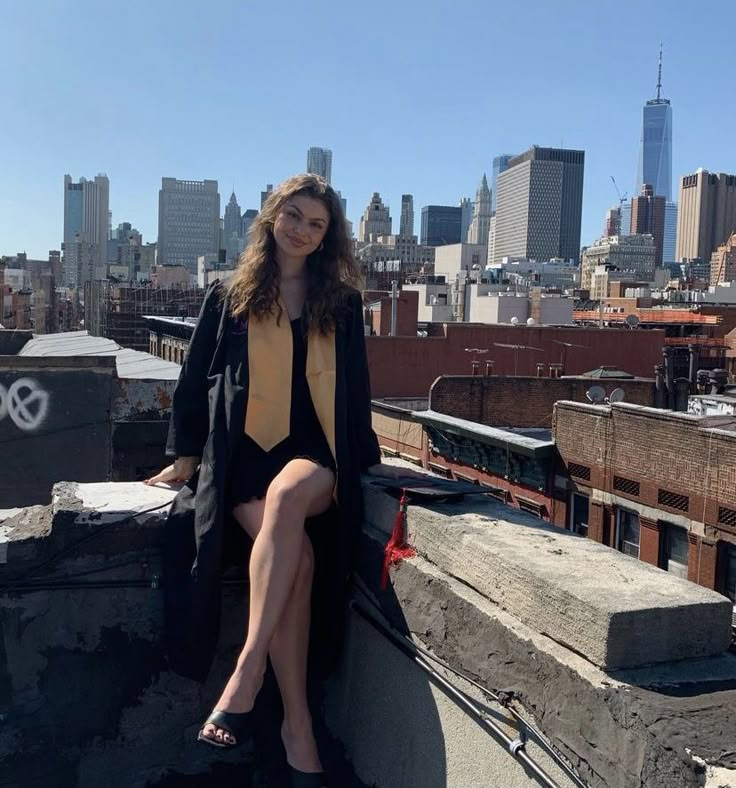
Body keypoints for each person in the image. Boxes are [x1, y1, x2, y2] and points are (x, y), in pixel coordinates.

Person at [145, 173, 394, 787]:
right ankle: (297, 729)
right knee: (298, 559)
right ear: (272, 217)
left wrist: (367, 462)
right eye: (295, 217)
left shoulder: (341, 301)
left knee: (289, 498)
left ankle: (246, 672)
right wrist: (184, 458)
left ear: (329, 235)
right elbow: (195, 376)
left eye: (317, 224)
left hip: (315, 455)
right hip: (245, 459)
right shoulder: (232, 294)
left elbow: (356, 390)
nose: (304, 232)